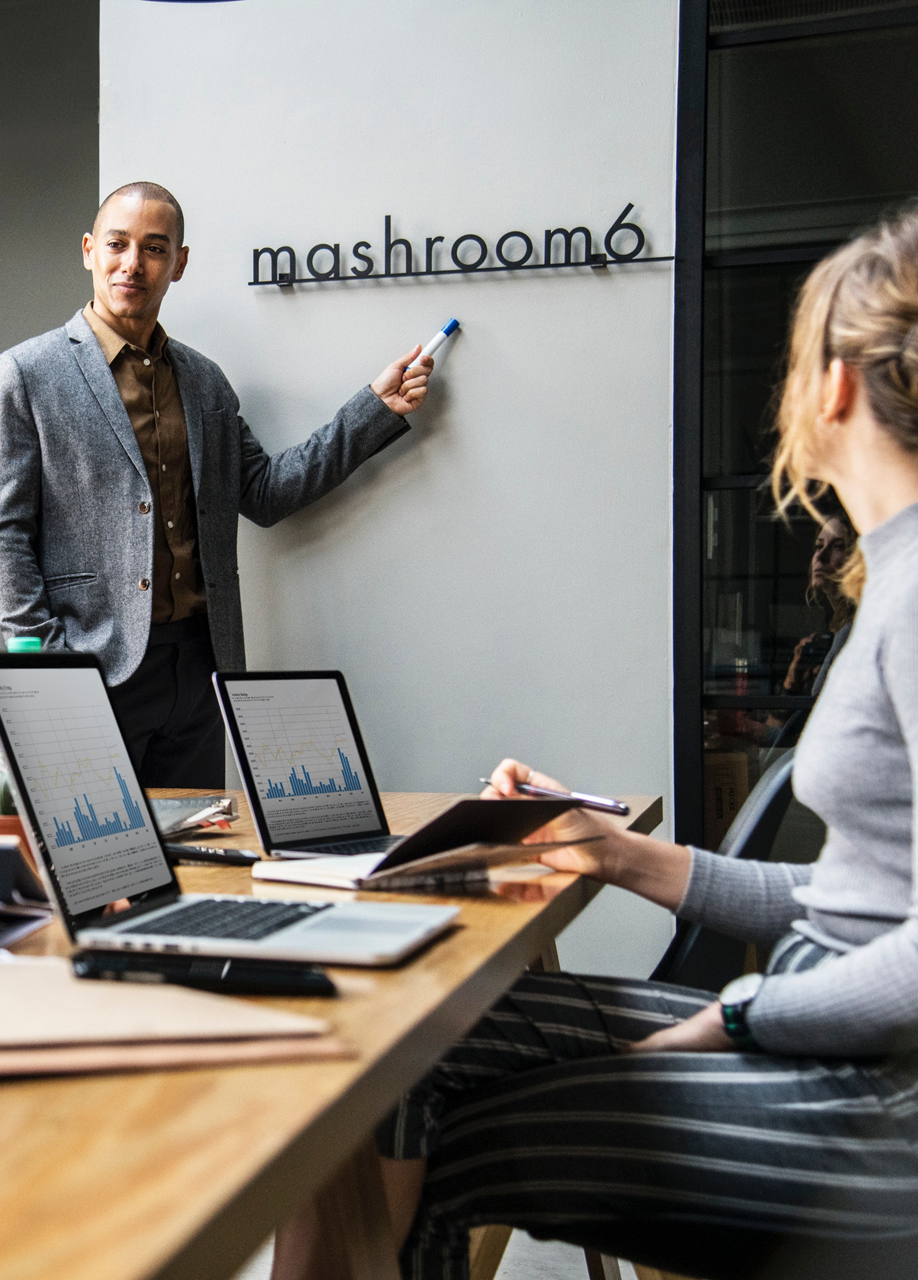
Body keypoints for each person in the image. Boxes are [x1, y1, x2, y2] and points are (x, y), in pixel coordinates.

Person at [275, 211, 918, 1280]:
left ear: (835, 385)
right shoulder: (894, 571)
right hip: (835, 1041)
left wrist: (733, 1018)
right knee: (393, 1037)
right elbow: (860, 900)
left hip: (876, 1103)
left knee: (445, 1137)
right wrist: (612, 850)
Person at [0, 182, 431, 787]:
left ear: (179, 263)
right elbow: (1, 536)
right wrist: (51, 660)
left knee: (191, 859)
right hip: (89, 663)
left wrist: (373, 409)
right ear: (89, 250)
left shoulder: (205, 381)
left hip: (200, 664)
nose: (132, 264)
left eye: (154, 248)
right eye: (117, 244)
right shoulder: (25, 374)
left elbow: (265, 491)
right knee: (85, 865)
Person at [780, 510, 857, 695]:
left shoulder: (853, 631)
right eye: (818, 546)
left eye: (838, 546)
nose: (820, 556)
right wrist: (794, 680)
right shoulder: (837, 628)